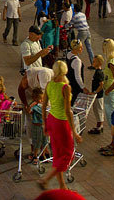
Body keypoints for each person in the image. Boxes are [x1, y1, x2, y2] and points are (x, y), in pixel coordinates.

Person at [38, 60, 82, 190]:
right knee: (68, 154)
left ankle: (62, 185)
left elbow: (44, 105)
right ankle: (46, 179)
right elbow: (68, 111)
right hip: (61, 122)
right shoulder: (65, 87)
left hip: (51, 119)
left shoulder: (49, 84)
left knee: (57, 154)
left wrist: (45, 123)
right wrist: (74, 132)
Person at [29, 87, 47, 161]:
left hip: (43, 126)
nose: (41, 100)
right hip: (37, 126)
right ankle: (35, 155)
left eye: (42, 98)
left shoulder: (42, 105)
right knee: (37, 141)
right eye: (40, 99)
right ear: (35, 98)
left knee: (44, 141)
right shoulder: (34, 106)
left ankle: (42, 154)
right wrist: (31, 106)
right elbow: (29, 111)